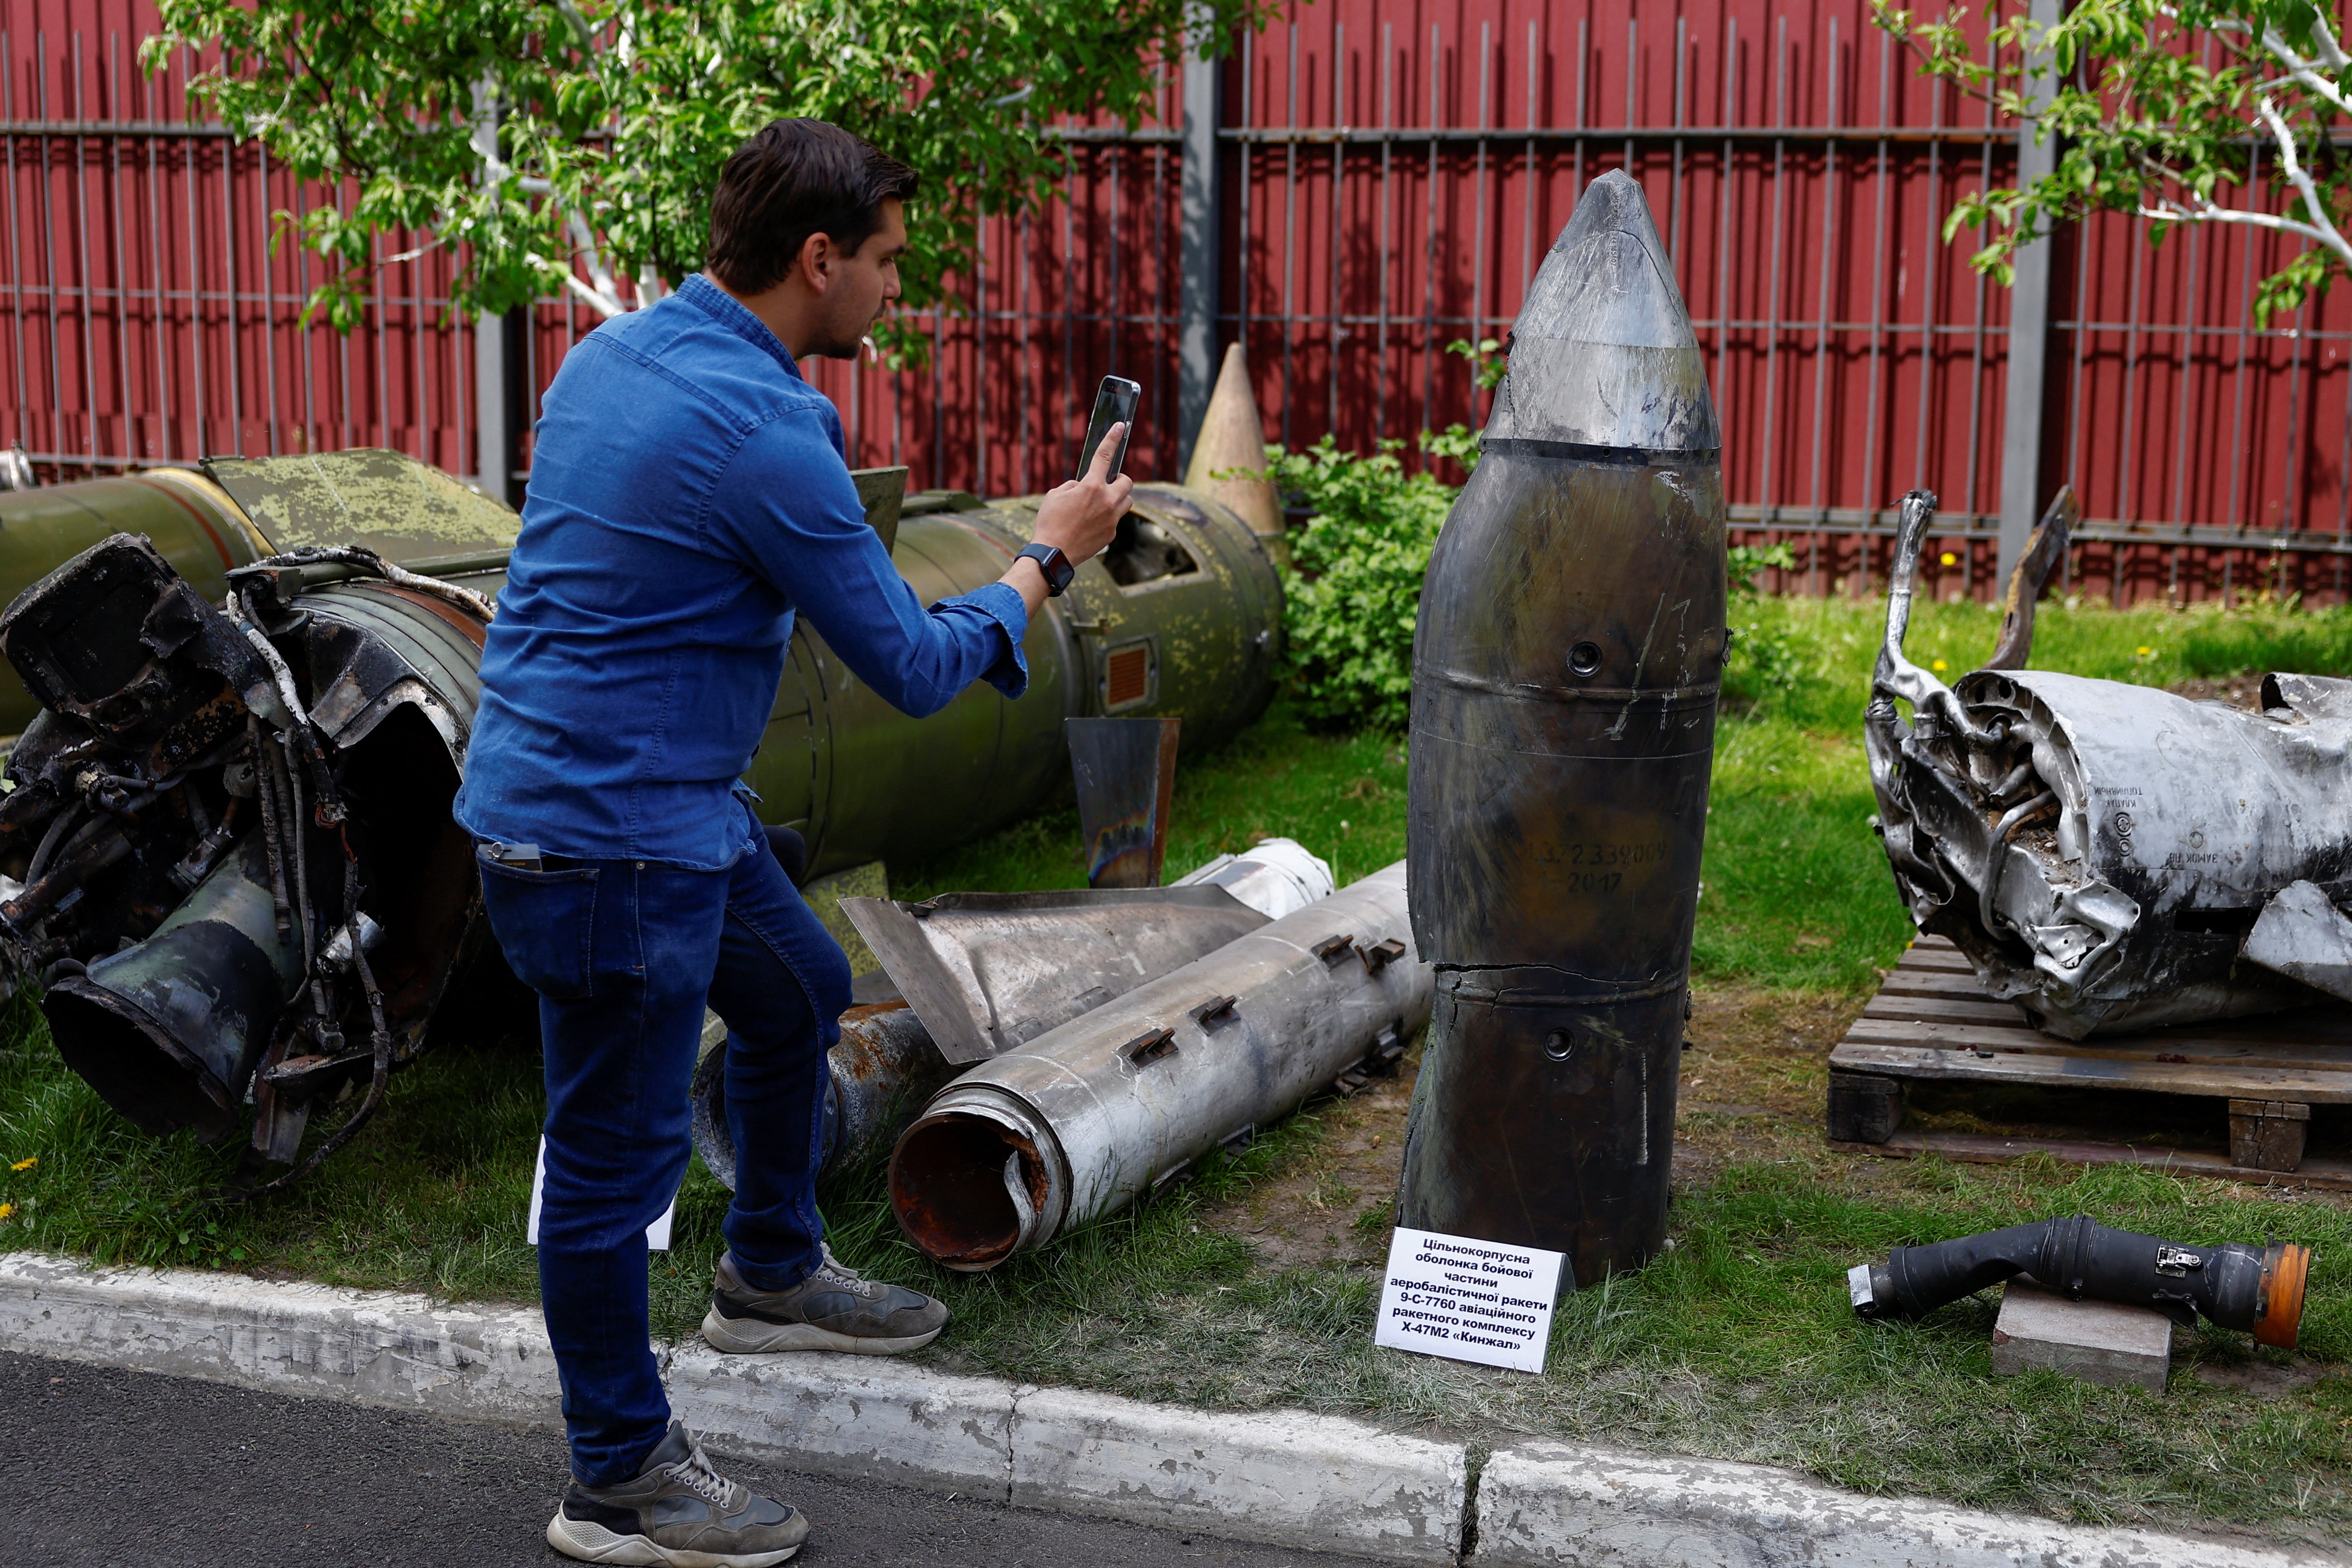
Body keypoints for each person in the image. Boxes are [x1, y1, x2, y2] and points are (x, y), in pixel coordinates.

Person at [455, 118, 1133, 1568]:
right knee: (608, 1161)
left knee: (793, 993)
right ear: (816, 258)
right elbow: (911, 664)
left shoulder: (616, 354)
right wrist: (1047, 553)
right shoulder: (768, 429)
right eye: (886, 260)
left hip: (645, 801)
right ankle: (616, 1475)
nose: (898, 286)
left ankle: (764, 1268)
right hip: (604, 842)